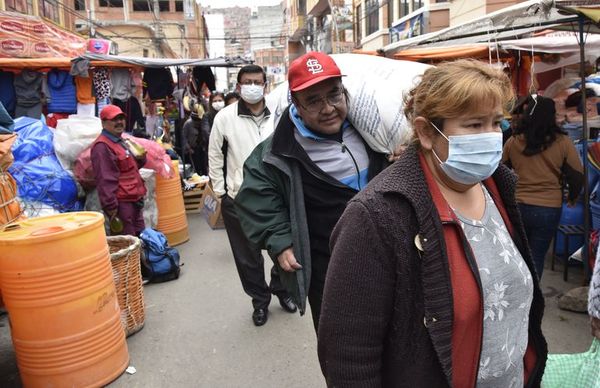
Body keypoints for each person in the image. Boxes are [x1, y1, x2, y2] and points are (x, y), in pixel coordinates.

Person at [317, 60, 547, 387]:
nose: (491, 137)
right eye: (473, 125)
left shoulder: (497, 186)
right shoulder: (377, 216)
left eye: (496, 122)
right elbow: (348, 356)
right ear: (426, 132)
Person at [234, 52, 389, 332]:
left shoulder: (373, 129)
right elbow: (257, 195)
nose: (328, 108)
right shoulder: (278, 151)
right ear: (296, 104)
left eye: (334, 95)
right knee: (343, 350)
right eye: (314, 101)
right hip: (329, 270)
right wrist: (280, 240)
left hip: (385, 258)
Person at [208, 65, 296, 327]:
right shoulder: (224, 117)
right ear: (238, 86)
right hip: (239, 198)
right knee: (247, 258)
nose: (253, 86)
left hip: (278, 196)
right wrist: (221, 192)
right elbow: (214, 155)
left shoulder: (279, 114)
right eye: (248, 82)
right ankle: (260, 302)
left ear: (265, 85)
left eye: (258, 82)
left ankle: (282, 289)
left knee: (284, 247)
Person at [503, 95, 583, 279]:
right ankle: (534, 300)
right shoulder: (563, 142)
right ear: (552, 116)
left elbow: (500, 170)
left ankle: (517, 295)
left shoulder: (514, 141)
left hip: (518, 205)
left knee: (518, 255)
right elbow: (577, 176)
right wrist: (572, 197)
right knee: (536, 256)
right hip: (549, 208)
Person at [92, 104, 147, 236]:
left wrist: (141, 157)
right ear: (104, 122)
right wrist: (111, 208)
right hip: (122, 205)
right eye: (114, 119)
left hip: (134, 199)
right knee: (128, 243)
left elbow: (130, 169)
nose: (119, 122)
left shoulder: (122, 141)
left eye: (121, 118)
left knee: (141, 239)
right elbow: (105, 180)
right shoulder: (102, 147)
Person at [199, 92, 225, 174]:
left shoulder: (228, 114)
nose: (218, 103)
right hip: (214, 152)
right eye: (215, 101)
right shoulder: (207, 116)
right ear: (211, 102)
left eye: (220, 100)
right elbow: (207, 133)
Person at [181, 101, 205, 176]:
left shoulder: (203, 121)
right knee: (196, 167)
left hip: (202, 148)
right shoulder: (188, 123)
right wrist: (188, 148)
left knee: (203, 166)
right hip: (192, 149)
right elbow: (184, 137)